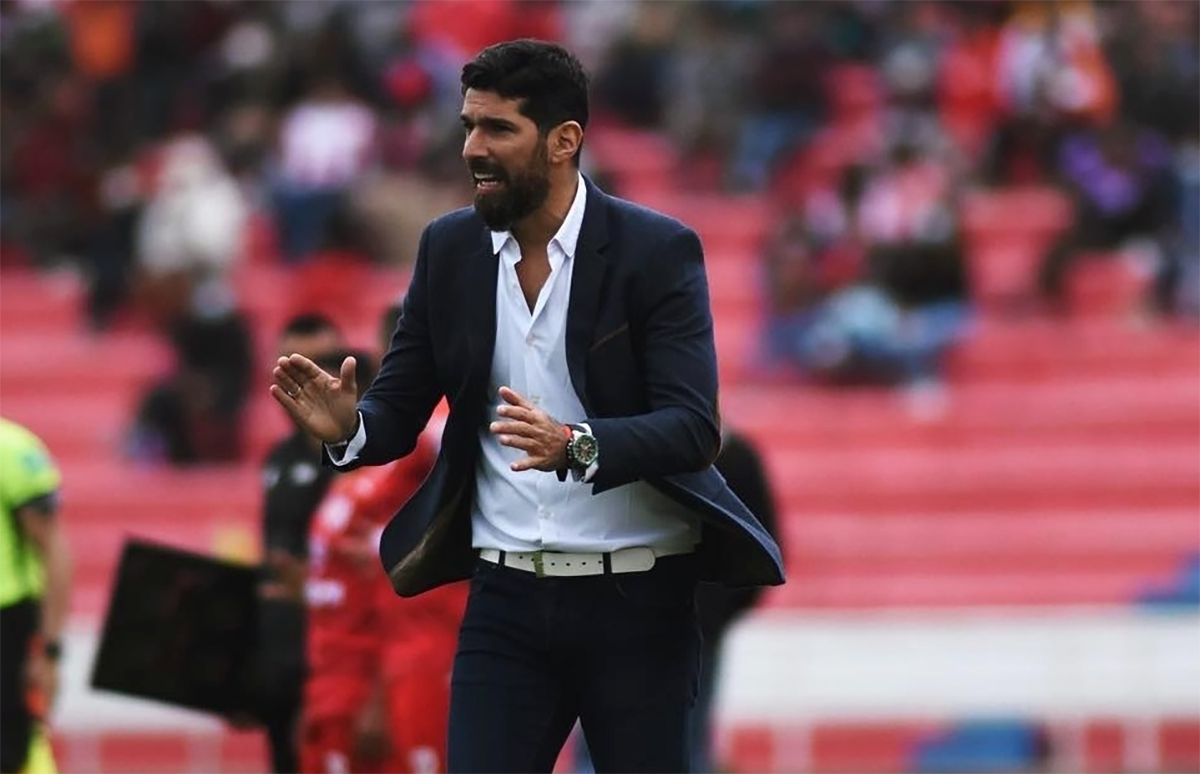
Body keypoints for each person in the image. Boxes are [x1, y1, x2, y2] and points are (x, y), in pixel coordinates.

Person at [271, 39, 784, 773]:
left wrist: (577, 444)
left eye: (498, 128)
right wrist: (349, 429)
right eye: (468, 126)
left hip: (638, 603)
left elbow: (693, 428)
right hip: (504, 598)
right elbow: (397, 411)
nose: (473, 148)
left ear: (563, 141)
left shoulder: (656, 250)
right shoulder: (448, 249)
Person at [573, 426, 781, 774]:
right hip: (621, 612)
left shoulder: (736, 456)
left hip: (693, 627)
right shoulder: (636, 445)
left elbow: (762, 544)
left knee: (684, 740)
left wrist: (714, 614)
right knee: (602, 738)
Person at [246, 313, 345, 774]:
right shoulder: (279, 458)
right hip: (282, 664)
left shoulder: (365, 462)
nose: (305, 377)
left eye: (319, 363)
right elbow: (272, 562)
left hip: (336, 663)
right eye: (292, 364)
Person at [0, 418, 72, 774]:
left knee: (13, 755)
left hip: (7, 629)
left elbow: (53, 549)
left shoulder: (10, 451)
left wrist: (50, 650)